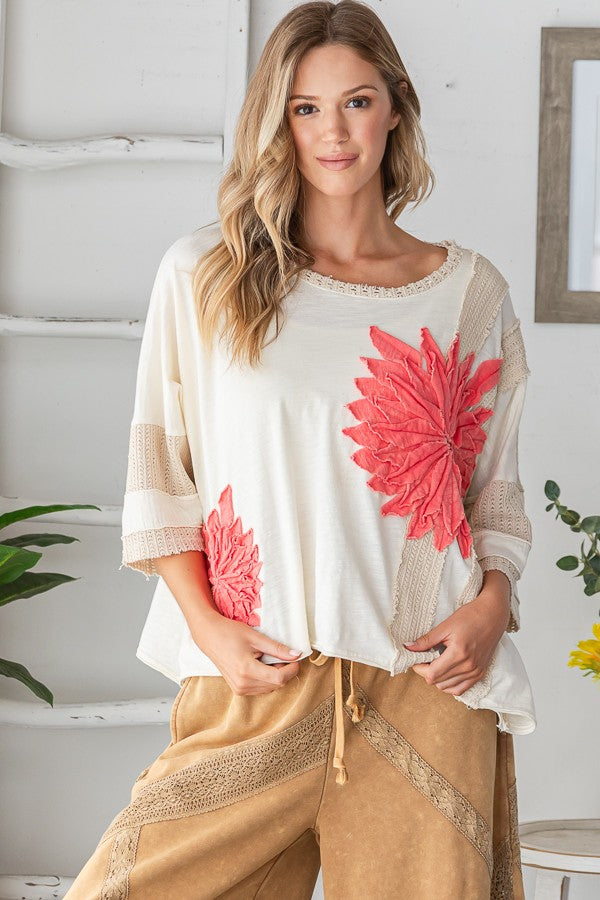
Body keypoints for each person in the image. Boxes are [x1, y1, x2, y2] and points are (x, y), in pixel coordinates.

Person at [65, 2, 536, 897]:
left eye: (356, 102)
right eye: (305, 108)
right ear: (277, 122)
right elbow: (161, 476)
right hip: (256, 680)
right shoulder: (205, 275)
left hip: (426, 689)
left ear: (395, 106)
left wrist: (491, 606)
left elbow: (493, 493)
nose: (333, 132)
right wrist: (208, 629)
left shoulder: (469, 292)